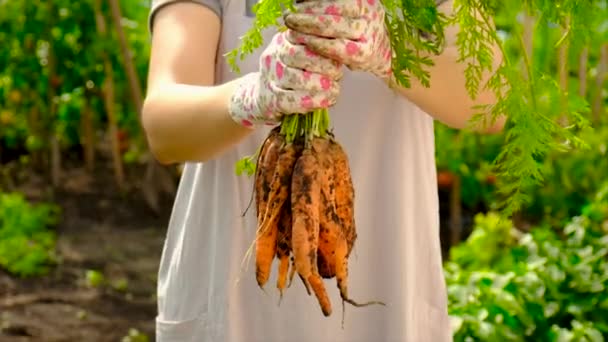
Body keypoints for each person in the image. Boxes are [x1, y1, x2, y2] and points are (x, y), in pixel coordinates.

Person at [142, 0, 504, 340]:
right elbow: (164, 127)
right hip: (229, 288)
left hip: (388, 278)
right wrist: (253, 97)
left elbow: (492, 100)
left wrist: (390, 54)